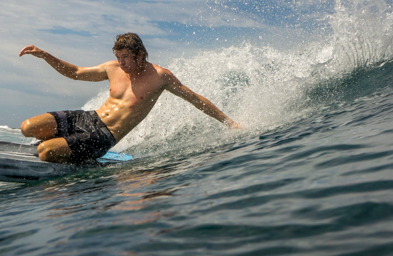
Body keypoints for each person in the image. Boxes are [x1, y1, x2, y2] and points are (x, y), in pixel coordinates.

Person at [19, 33, 241, 163]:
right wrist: (45, 55)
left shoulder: (160, 77)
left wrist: (229, 123)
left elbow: (195, 99)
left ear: (140, 55)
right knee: (27, 127)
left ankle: (65, 152)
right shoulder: (112, 68)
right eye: (118, 57)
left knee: (45, 151)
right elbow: (75, 73)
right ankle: (62, 146)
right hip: (87, 118)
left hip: (103, 135)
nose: (121, 62)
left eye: (125, 57)